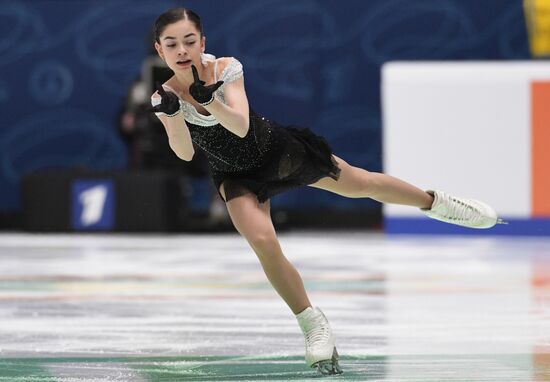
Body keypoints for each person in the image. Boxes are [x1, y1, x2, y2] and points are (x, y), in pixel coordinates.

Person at [149, 7, 504, 375]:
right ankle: (313, 326)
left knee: (359, 184)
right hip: (234, 174)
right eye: (172, 44)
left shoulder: (225, 68)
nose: (182, 50)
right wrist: (173, 115)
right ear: (160, 50)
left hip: (275, 151)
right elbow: (186, 152)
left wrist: (209, 99)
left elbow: (239, 125)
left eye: (190, 41)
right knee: (263, 241)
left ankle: (436, 202)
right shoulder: (164, 95)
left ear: (202, 42)